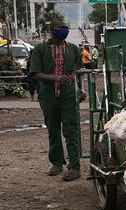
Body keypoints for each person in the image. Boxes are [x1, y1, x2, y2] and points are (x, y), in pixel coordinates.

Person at [30, 19, 85, 181]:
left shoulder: (74, 49)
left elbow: (79, 71)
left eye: (66, 28)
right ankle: (57, 163)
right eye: (61, 28)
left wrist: (81, 89)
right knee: (53, 130)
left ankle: (74, 166)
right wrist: (55, 78)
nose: (65, 30)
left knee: (71, 129)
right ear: (52, 30)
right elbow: (35, 73)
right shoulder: (40, 49)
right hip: (48, 95)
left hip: (69, 94)